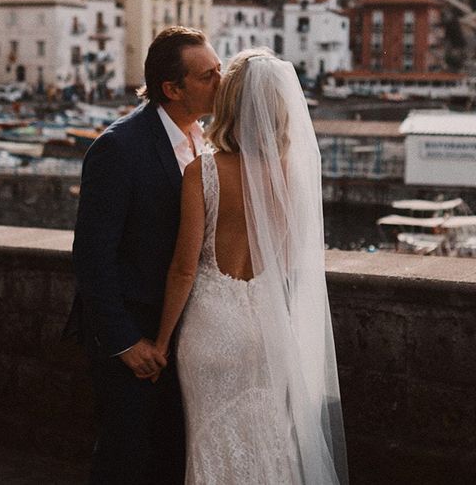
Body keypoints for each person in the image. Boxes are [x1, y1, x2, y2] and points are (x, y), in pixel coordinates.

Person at [154, 47, 349, 484]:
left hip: (212, 329)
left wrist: (161, 341)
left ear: (229, 105)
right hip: (267, 328)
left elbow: (185, 269)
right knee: (269, 444)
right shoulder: (291, 177)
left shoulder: (203, 171)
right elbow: (290, 265)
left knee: (209, 443)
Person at [68, 26, 221, 485]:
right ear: (172, 88)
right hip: (130, 333)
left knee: (170, 451)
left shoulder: (204, 137)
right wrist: (124, 343)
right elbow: (92, 256)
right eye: (208, 76)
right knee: (124, 454)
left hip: (180, 329)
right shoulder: (119, 148)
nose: (221, 82)